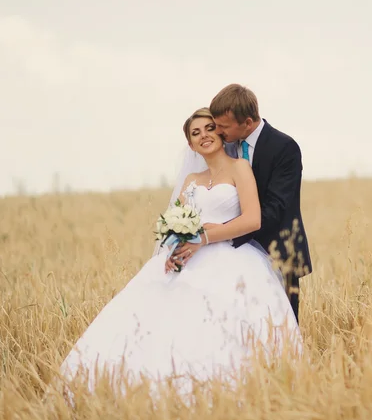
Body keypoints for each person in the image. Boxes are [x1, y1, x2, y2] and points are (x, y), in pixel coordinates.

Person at [58, 107, 302, 402]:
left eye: (209, 128)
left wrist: (204, 237)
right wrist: (173, 250)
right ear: (190, 145)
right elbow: (175, 222)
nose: (204, 136)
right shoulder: (191, 181)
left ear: (220, 132)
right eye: (196, 133)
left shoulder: (240, 168)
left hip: (231, 258)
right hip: (188, 259)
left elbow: (252, 220)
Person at [190, 84, 312, 324]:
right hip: (226, 257)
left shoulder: (284, 148)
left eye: (223, 127)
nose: (219, 133)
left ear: (246, 122)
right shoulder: (226, 146)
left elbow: (276, 207)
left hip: (277, 250)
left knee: (283, 327)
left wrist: (222, 231)